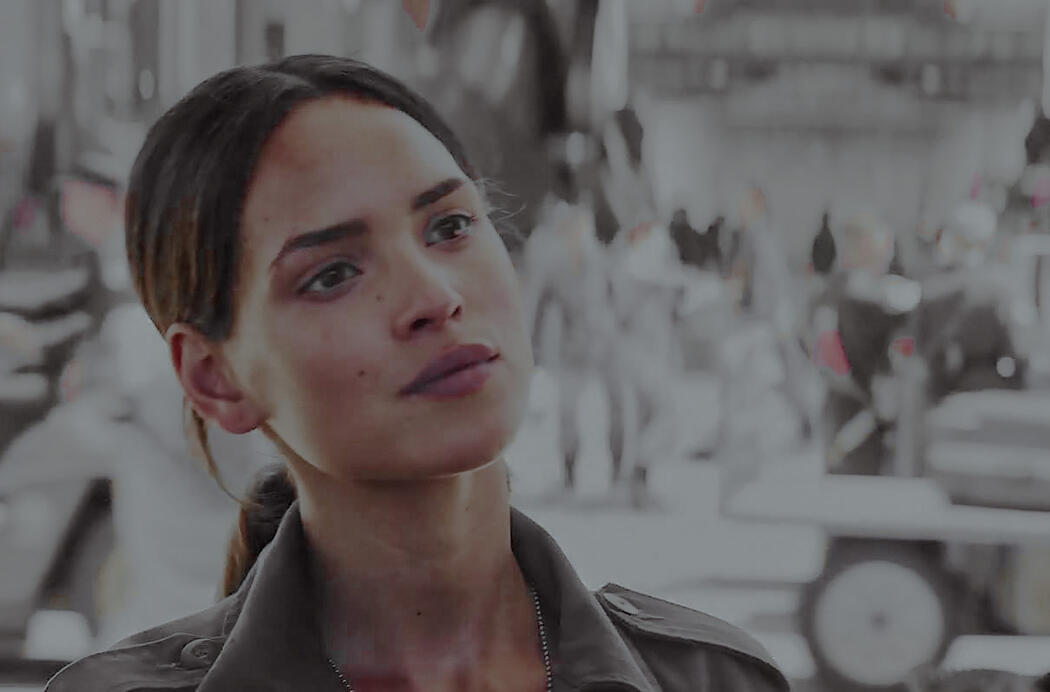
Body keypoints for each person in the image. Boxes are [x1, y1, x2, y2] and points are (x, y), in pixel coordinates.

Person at [45, 55, 788, 691]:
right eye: (332, 274)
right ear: (216, 378)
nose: (435, 297)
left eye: (451, 226)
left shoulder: (712, 679)